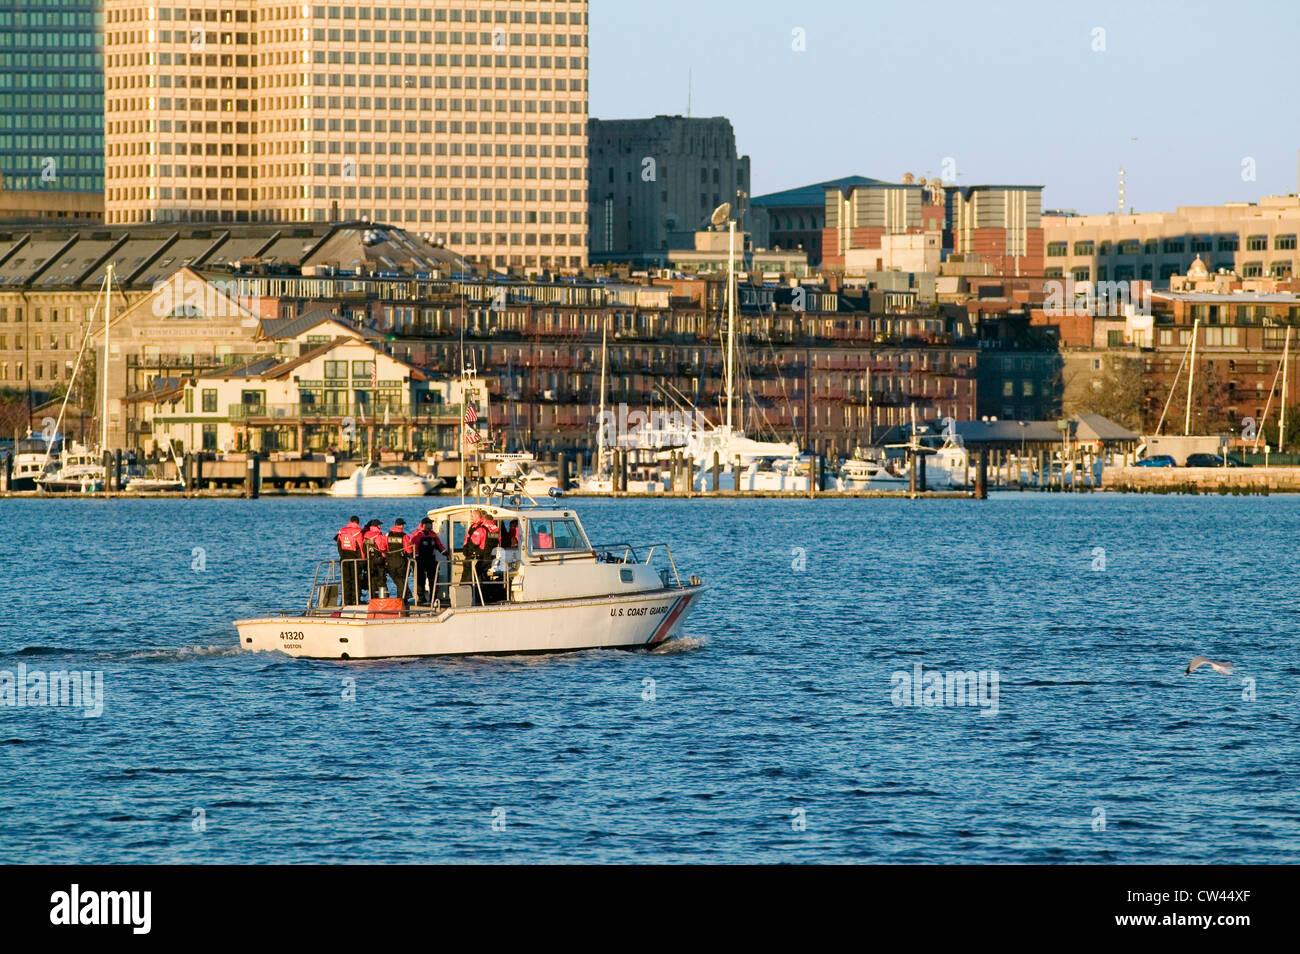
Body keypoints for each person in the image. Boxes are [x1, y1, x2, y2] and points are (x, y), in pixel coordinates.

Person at [410, 517, 447, 606]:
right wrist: (415, 557)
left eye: (431, 524)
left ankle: (433, 597)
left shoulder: (433, 535)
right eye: (429, 524)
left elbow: (439, 545)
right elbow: (414, 547)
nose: (431, 525)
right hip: (420, 561)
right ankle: (421, 598)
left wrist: (445, 552)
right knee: (420, 580)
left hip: (431, 560)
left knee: (433, 579)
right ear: (424, 525)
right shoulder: (418, 534)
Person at [334, 515, 364, 605]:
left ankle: (346, 601)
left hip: (344, 559)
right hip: (354, 559)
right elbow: (360, 547)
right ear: (358, 522)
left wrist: (342, 556)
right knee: (355, 580)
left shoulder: (342, 531)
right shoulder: (358, 532)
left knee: (345, 580)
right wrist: (362, 560)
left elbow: (338, 545)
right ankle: (356, 600)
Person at [386, 518, 413, 601]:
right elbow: (408, 549)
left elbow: (383, 546)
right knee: (402, 579)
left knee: (397, 579)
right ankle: (403, 598)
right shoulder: (404, 536)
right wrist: (411, 557)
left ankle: (402, 597)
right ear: (401, 525)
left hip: (390, 560)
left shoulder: (387, 535)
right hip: (401, 561)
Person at [361, 519, 388, 598]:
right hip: (378, 560)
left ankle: (373, 597)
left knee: (371, 580)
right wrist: (385, 557)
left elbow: (363, 548)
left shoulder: (366, 535)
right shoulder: (378, 535)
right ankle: (382, 597)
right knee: (381, 579)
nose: (380, 526)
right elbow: (382, 547)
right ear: (377, 526)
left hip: (369, 560)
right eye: (379, 525)